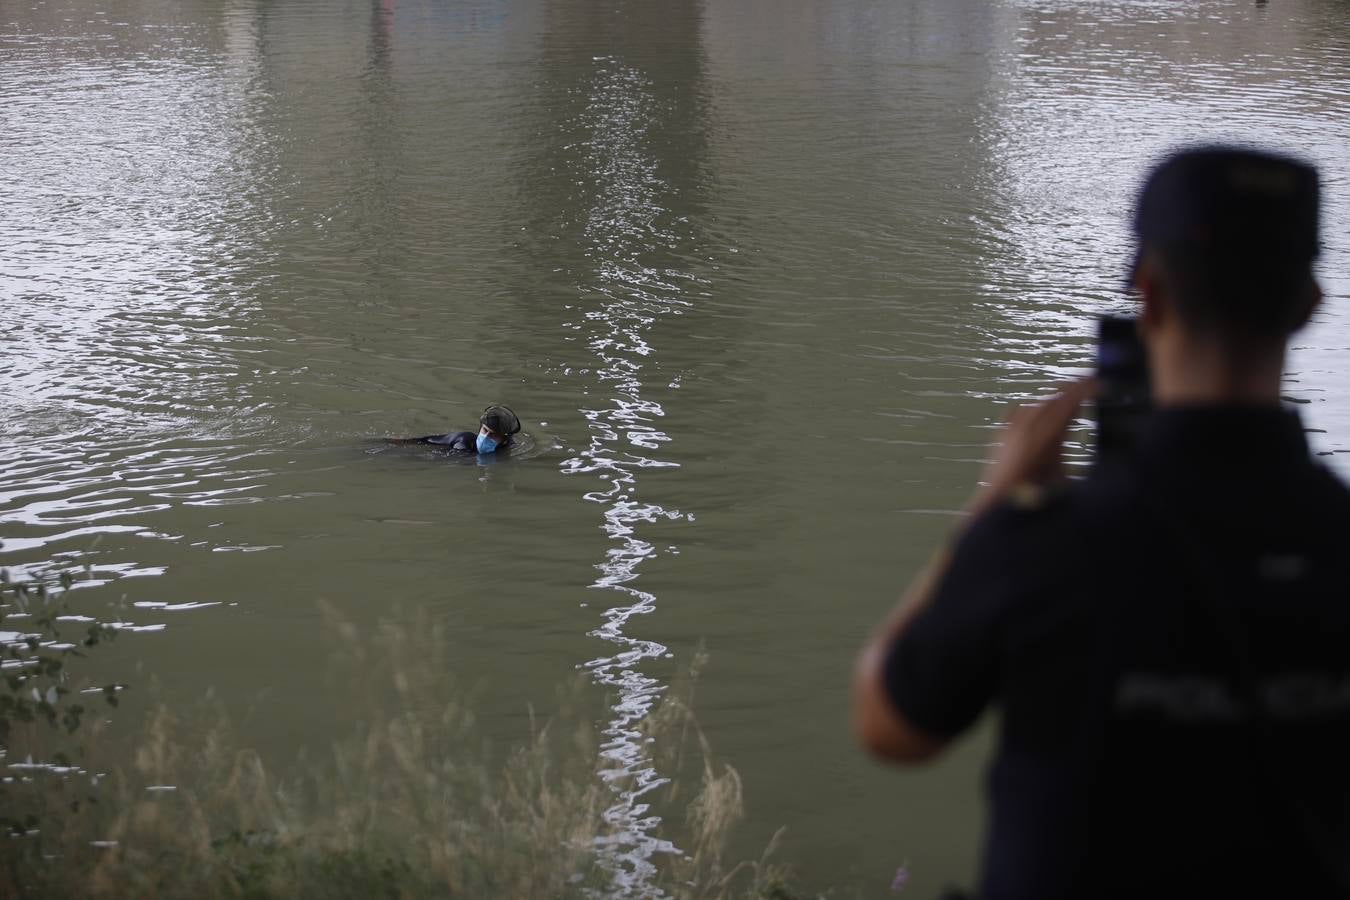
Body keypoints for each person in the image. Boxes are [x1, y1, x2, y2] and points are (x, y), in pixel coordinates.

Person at [853, 146, 1350, 899]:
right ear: (1310, 303)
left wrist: (993, 506)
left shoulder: (1041, 544)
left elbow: (889, 725)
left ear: (1147, 293)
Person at [386, 404, 521, 454]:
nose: (485, 437)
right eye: (484, 430)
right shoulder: (463, 444)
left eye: (492, 435)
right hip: (428, 445)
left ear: (504, 440)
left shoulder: (507, 447)